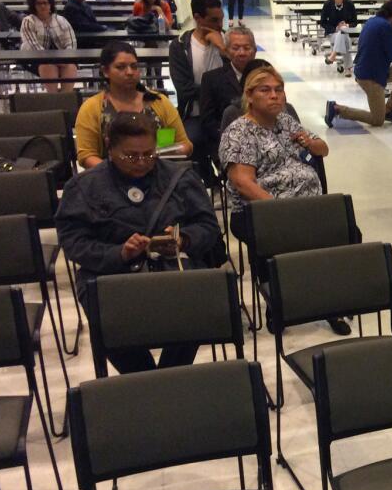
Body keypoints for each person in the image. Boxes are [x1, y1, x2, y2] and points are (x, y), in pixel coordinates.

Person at [55, 112, 221, 374]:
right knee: (111, 326)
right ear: (110, 147)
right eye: (131, 156)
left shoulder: (180, 177)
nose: (142, 162)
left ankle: (168, 378)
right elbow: (74, 242)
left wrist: (183, 240)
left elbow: (209, 227)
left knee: (198, 308)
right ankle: (142, 380)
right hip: (112, 276)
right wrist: (120, 252)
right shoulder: (84, 187)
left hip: (173, 271)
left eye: (149, 154)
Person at [219, 64, 350, 336]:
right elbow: (243, 183)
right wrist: (283, 213)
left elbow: (322, 149)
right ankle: (279, 304)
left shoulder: (286, 121)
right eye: (266, 90)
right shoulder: (239, 132)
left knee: (345, 232)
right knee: (298, 240)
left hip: (306, 205)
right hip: (261, 212)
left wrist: (308, 142)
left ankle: (331, 303)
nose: (275, 96)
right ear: (250, 96)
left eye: (279, 90)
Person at [75, 41, 192, 169]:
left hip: (157, 175)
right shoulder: (92, 108)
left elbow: (185, 145)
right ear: (105, 71)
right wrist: (114, 173)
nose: (130, 72)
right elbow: (87, 156)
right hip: (111, 180)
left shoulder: (159, 102)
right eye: (121, 67)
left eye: (134, 66)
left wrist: (157, 156)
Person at [324, 0, 392, 127]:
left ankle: (388, 110)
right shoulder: (385, 26)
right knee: (377, 120)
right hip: (371, 77)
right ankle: (337, 109)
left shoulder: (372, 21)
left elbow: (382, 46)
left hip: (372, 69)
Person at [169, 0, 227, 143]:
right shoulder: (180, 47)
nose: (220, 25)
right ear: (198, 18)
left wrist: (223, 48)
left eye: (221, 19)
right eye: (214, 20)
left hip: (225, 112)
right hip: (195, 114)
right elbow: (184, 89)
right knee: (192, 141)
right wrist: (216, 92)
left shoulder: (228, 42)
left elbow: (241, 77)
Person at [200, 26, 258, 158]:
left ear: (254, 51)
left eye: (247, 48)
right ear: (226, 51)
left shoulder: (266, 76)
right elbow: (208, 121)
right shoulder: (211, 79)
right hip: (227, 142)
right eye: (235, 48)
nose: (241, 53)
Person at [20, 0, 77, 94]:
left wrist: (66, 57)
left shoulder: (61, 20)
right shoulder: (28, 21)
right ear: (33, 6)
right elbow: (34, 47)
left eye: (45, 3)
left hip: (62, 57)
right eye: (39, 3)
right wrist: (54, 60)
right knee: (48, 66)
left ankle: (66, 99)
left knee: (71, 66)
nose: (42, 6)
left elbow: (71, 42)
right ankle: (53, 98)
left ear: (50, 4)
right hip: (36, 58)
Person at [319, 0, 357, 65]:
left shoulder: (350, 4)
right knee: (342, 34)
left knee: (343, 33)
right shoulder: (327, 4)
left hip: (348, 32)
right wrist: (336, 28)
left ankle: (333, 56)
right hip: (332, 33)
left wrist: (347, 25)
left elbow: (355, 22)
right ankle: (348, 68)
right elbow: (323, 22)